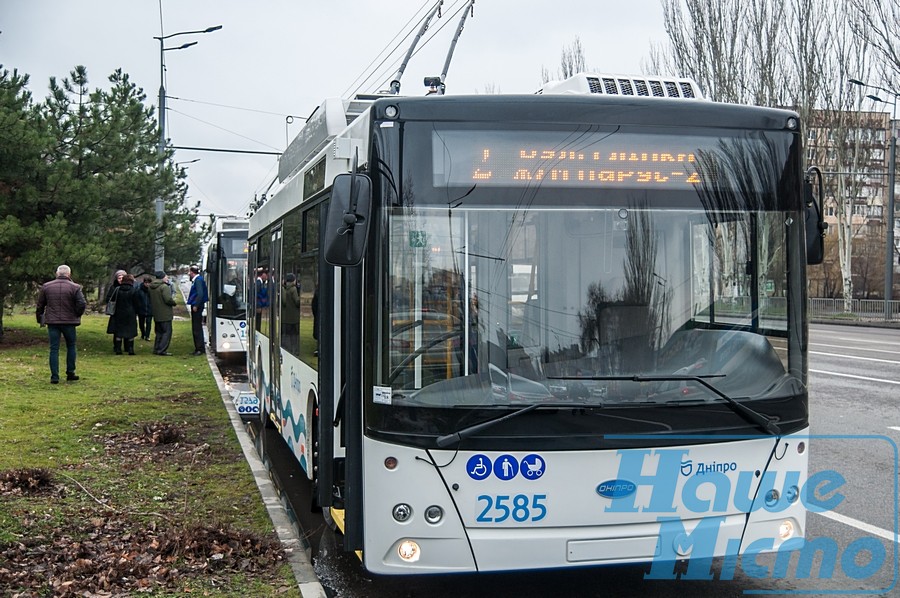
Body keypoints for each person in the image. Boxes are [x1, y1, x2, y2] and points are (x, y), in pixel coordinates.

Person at [36, 264, 86, 384]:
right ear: (69, 274)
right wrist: (77, 314)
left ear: (57, 274)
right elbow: (82, 303)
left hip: (53, 321)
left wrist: (40, 318)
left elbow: (40, 305)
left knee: (54, 348)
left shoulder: (47, 286)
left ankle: (54, 376)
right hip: (69, 321)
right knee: (71, 346)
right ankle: (70, 372)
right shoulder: (75, 287)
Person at [106, 273, 141, 355]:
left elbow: (112, 300)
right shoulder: (134, 290)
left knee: (118, 331)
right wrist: (137, 311)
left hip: (118, 313)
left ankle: (118, 349)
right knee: (130, 331)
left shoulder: (117, 289)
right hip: (130, 313)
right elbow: (137, 303)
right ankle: (130, 349)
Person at [150, 270, 176, 355]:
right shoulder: (164, 287)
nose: (167, 278)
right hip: (165, 313)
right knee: (166, 332)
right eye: (166, 276)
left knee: (158, 332)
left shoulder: (151, 287)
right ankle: (162, 350)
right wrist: (173, 303)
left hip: (156, 313)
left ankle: (156, 348)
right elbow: (168, 299)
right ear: (162, 277)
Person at [187, 264, 208, 355]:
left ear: (192, 272)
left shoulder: (198, 280)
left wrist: (196, 305)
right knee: (196, 327)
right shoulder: (198, 280)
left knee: (196, 328)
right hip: (198, 305)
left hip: (197, 306)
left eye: (189, 272)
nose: (188, 274)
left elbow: (200, 294)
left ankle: (199, 348)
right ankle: (199, 348)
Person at [104, 269, 126, 353]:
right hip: (116, 312)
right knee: (116, 330)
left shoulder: (130, 287)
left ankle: (127, 346)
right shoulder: (113, 287)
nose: (121, 280)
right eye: (119, 278)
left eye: (122, 278)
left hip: (126, 311)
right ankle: (117, 346)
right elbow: (108, 298)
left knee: (126, 330)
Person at [281, 273, 300, 354]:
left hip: (285, 317)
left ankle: (286, 349)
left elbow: (284, 302)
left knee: (286, 334)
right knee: (294, 335)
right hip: (293, 317)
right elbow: (297, 301)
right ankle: (294, 350)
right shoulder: (293, 289)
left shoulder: (284, 289)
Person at [136, 275, 153, 341]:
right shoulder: (139, 290)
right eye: (146, 283)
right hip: (141, 309)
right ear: (144, 283)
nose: (147, 284)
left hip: (149, 309)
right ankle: (143, 334)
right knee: (141, 323)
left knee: (149, 323)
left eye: (149, 283)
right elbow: (137, 299)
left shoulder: (152, 290)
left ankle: (147, 336)